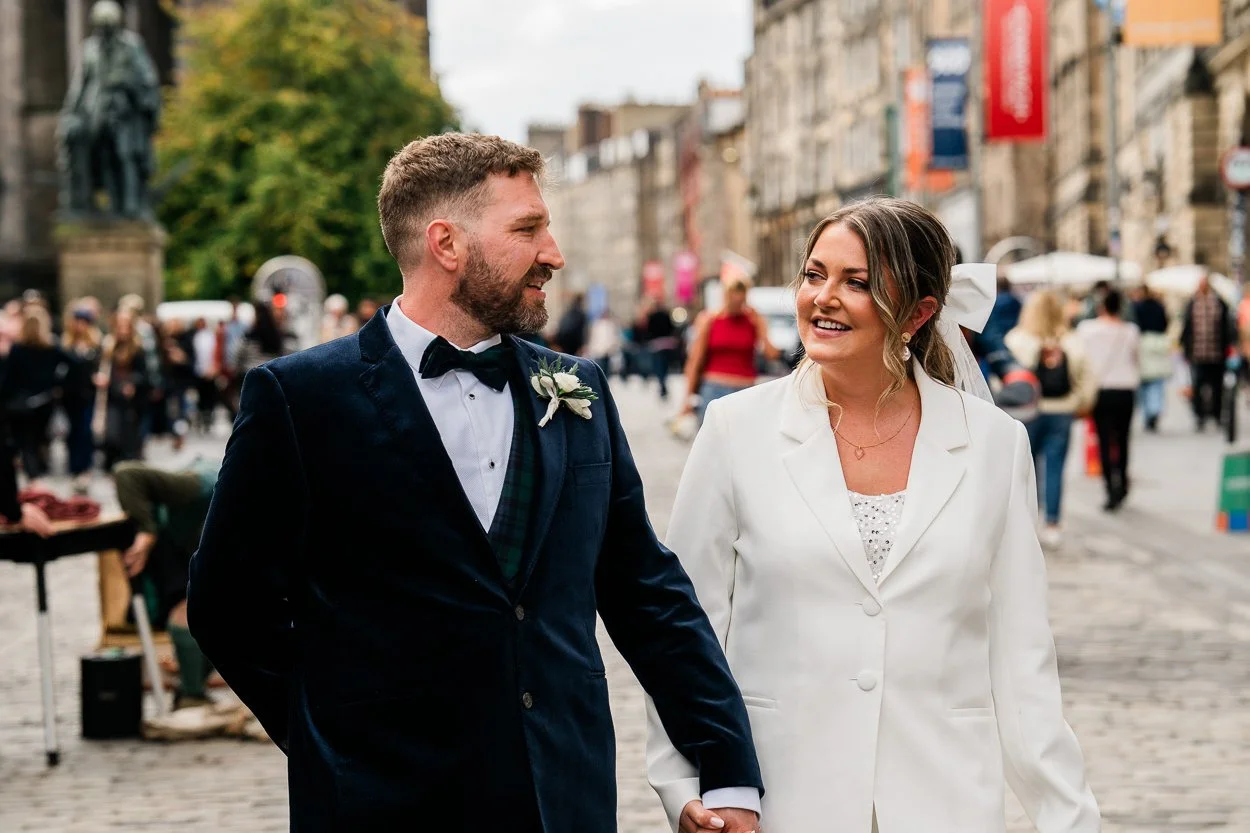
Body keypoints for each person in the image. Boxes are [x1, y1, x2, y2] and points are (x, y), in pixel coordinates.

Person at [187, 133, 762, 832]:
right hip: (383, 809)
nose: (554, 252)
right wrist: (330, 738)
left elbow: (647, 593)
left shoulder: (578, 389)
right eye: (528, 228)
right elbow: (227, 602)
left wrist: (728, 768)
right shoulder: (300, 400)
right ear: (446, 243)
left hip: (563, 799)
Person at [648, 197, 1099, 833]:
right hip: (780, 799)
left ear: (919, 313)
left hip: (946, 801)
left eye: (856, 282)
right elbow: (684, 629)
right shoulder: (734, 431)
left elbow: (1021, 659)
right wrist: (687, 783)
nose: (823, 297)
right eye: (814, 275)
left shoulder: (995, 445)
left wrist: (1067, 816)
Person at [113, 459, 219, 709]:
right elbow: (126, 474)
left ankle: (192, 688)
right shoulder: (200, 486)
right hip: (169, 541)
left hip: (205, 549)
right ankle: (192, 695)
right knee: (186, 606)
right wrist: (147, 530)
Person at [1006, 291, 1097, 548]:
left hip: (1026, 412)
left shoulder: (1018, 339)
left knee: (1025, 469)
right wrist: (1081, 403)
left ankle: (1027, 520)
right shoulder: (1071, 340)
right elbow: (1087, 375)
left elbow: (1005, 378)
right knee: (1055, 466)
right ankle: (1053, 523)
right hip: (1061, 410)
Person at [679, 278, 779, 424]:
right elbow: (695, 359)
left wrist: (760, 325)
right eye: (733, 297)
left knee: (745, 443)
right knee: (711, 443)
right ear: (725, 296)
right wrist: (688, 398)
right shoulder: (710, 320)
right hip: (714, 389)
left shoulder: (753, 320)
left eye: (740, 298)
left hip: (745, 390)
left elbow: (771, 354)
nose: (737, 302)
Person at [1078, 289, 1140, 511]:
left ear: (1102, 306)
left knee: (1104, 440)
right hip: (1125, 389)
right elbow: (1135, 359)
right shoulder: (1131, 331)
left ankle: (1109, 488)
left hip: (1101, 391)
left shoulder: (1087, 330)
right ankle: (1122, 482)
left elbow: (1081, 358)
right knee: (1122, 439)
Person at [1179, 273, 1233, 432]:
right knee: (1197, 386)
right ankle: (1200, 416)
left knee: (1217, 386)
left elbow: (1227, 327)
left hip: (1216, 353)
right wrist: (1185, 348)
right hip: (1197, 353)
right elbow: (1187, 327)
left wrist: (1228, 346)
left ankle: (1216, 415)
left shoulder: (1219, 302)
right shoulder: (1191, 303)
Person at [61, 305, 104, 491]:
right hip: (70, 395)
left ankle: (85, 466)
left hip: (88, 394)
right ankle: (74, 466)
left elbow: (99, 368)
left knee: (85, 430)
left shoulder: (95, 345)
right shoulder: (66, 344)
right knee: (73, 430)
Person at [1131, 284, 1171, 431]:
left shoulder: (1136, 307)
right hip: (1158, 342)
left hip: (1143, 343)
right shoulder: (1158, 306)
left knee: (1144, 381)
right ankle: (1154, 409)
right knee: (1157, 381)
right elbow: (1165, 323)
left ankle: (1149, 412)